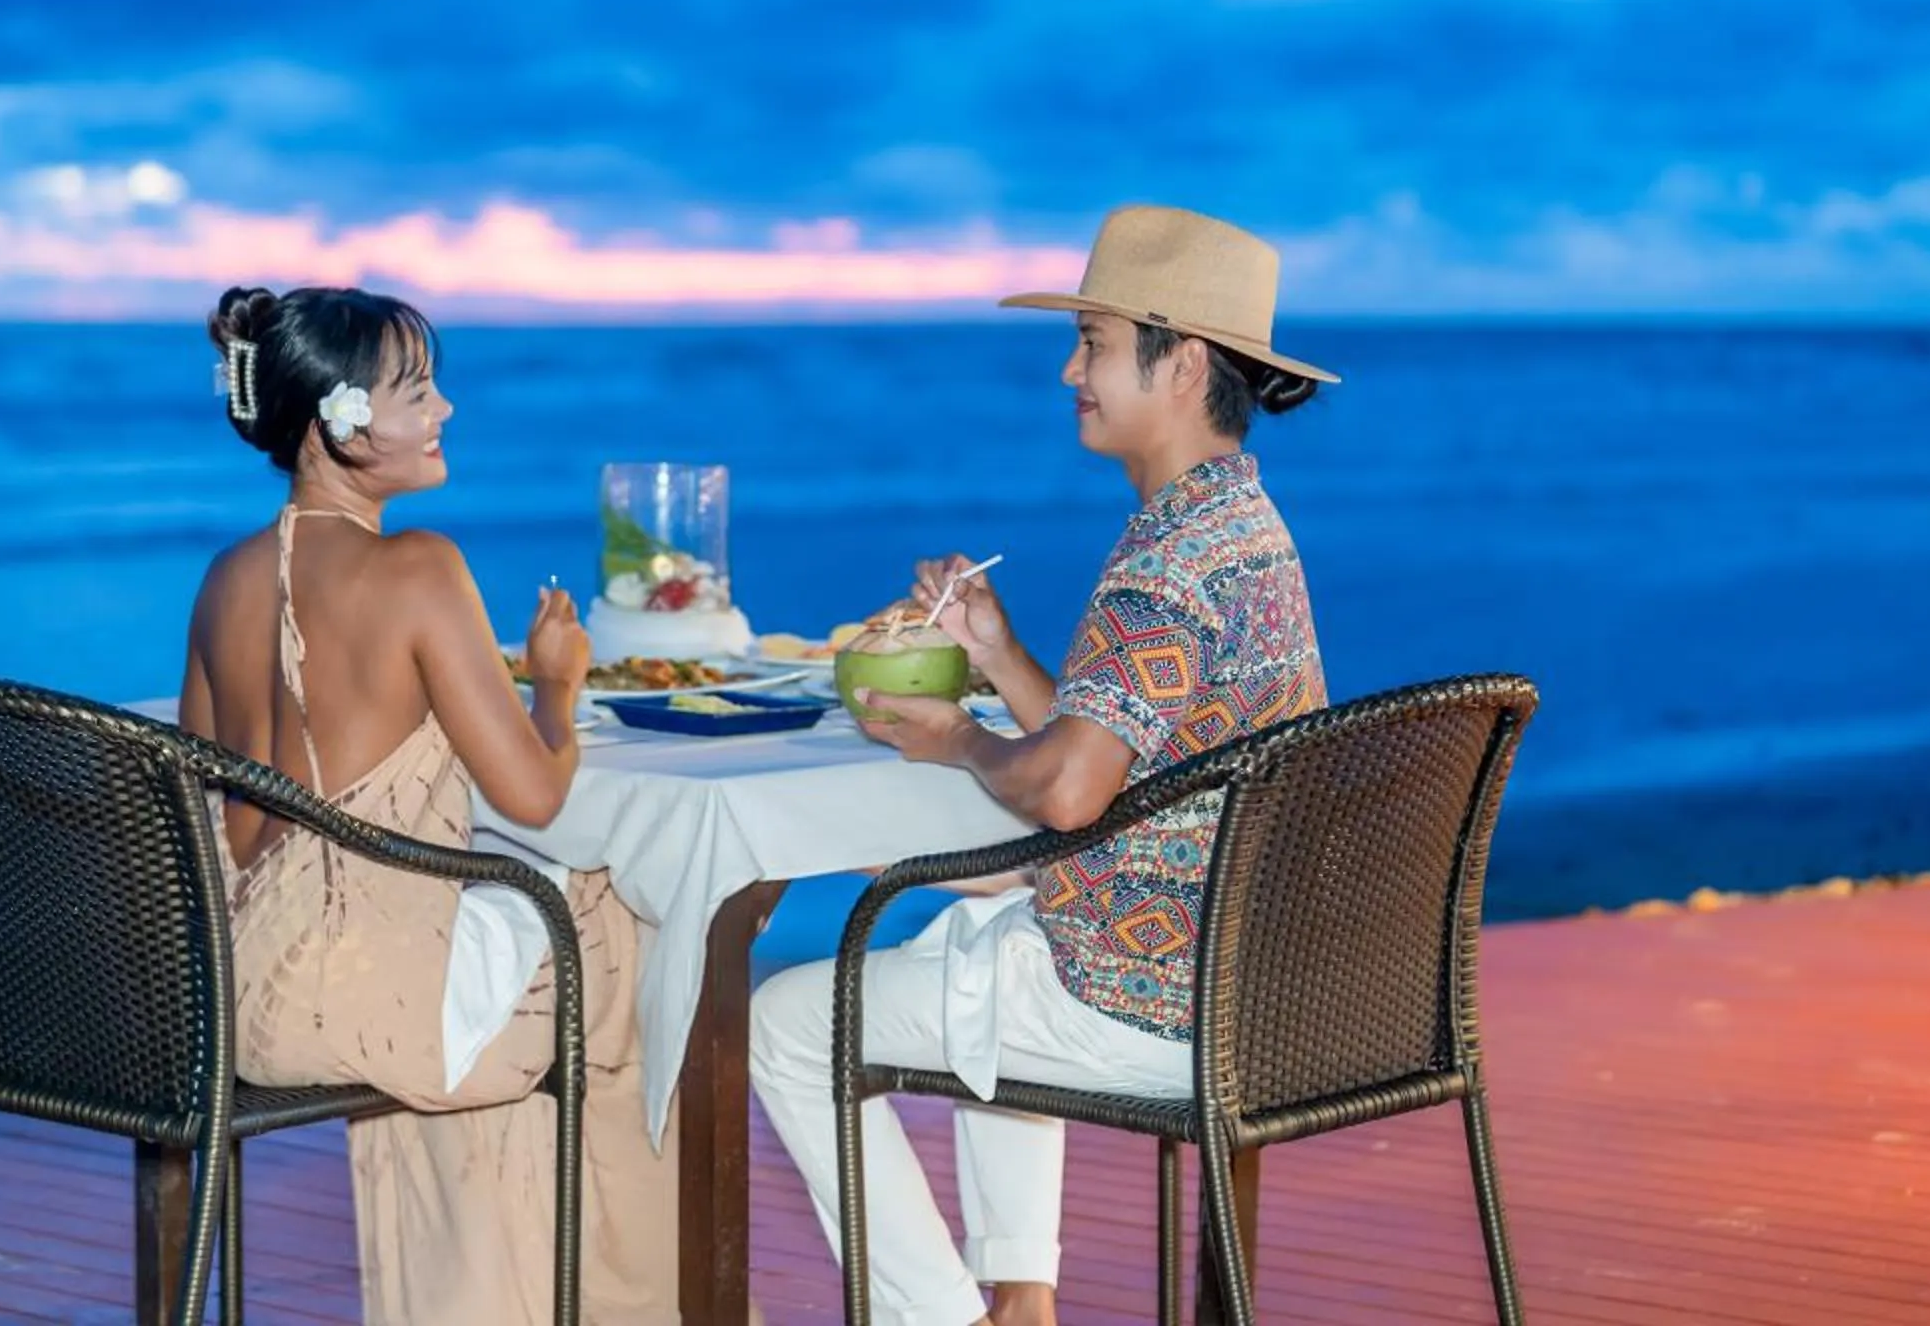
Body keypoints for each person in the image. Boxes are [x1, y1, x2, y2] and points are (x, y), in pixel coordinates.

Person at [749, 205, 1337, 1326]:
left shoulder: (1162, 563)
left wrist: (955, 734)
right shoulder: (1239, 526)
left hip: (1156, 1005)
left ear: (1185, 364)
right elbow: (1116, 748)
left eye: (1096, 343)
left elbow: (1069, 790)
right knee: (978, 929)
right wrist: (998, 652)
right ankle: (1022, 1298)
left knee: (786, 1020)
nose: (1070, 367)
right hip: (1254, 971)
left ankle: (946, 1318)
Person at [176, 283, 676, 1325]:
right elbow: (534, 794)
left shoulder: (225, 578)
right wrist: (556, 684)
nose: (445, 408)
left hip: (246, 999)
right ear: (338, 423)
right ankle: (640, 1301)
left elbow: (214, 814)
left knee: (513, 932)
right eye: (417, 390)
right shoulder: (420, 567)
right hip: (370, 1011)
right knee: (619, 909)